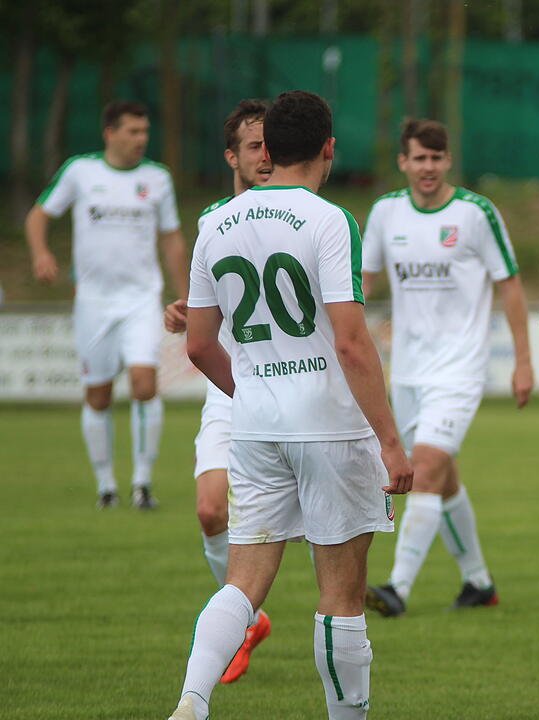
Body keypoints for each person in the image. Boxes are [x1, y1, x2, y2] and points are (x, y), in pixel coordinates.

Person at [167, 90, 412, 720]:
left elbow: (197, 344)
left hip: (253, 428)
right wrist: (389, 438)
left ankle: (192, 703)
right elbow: (352, 344)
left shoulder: (214, 222)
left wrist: (251, 392)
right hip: (330, 426)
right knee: (341, 594)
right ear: (330, 147)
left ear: (267, 150)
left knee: (243, 583)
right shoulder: (331, 220)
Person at [360, 118, 533, 617]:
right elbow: (363, 282)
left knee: (427, 469)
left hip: (460, 368)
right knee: (444, 476)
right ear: (404, 162)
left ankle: (397, 588)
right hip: (409, 371)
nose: (428, 167)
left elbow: (511, 284)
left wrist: (523, 361)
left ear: (448, 160)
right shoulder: (386, 213)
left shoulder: (476, 213)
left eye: (437, 158)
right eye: (419, 158)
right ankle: (478, 583)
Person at [25, 100, 188, 510]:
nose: (141, 139)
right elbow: (38, 215)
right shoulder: (81, 171)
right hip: (94, 302)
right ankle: (106, 487)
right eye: (133, 131)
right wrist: (41, 253)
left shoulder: (157, 178)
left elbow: (171, 237)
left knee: (144, 384)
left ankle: (142, 483)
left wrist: (186, 292)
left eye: (145, 131)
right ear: (109, 133)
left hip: (140, 298)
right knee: (97, 396)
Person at [163, 99, 274, 684]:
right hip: (229, 387)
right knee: (210, 510)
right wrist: (185, 313)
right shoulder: (214, 222)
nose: (265, 156)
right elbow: (207, 306)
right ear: (232, 155)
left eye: (272, 144)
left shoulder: (300, 213)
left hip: (290, 386)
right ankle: (247, 616)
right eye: (254, 146)